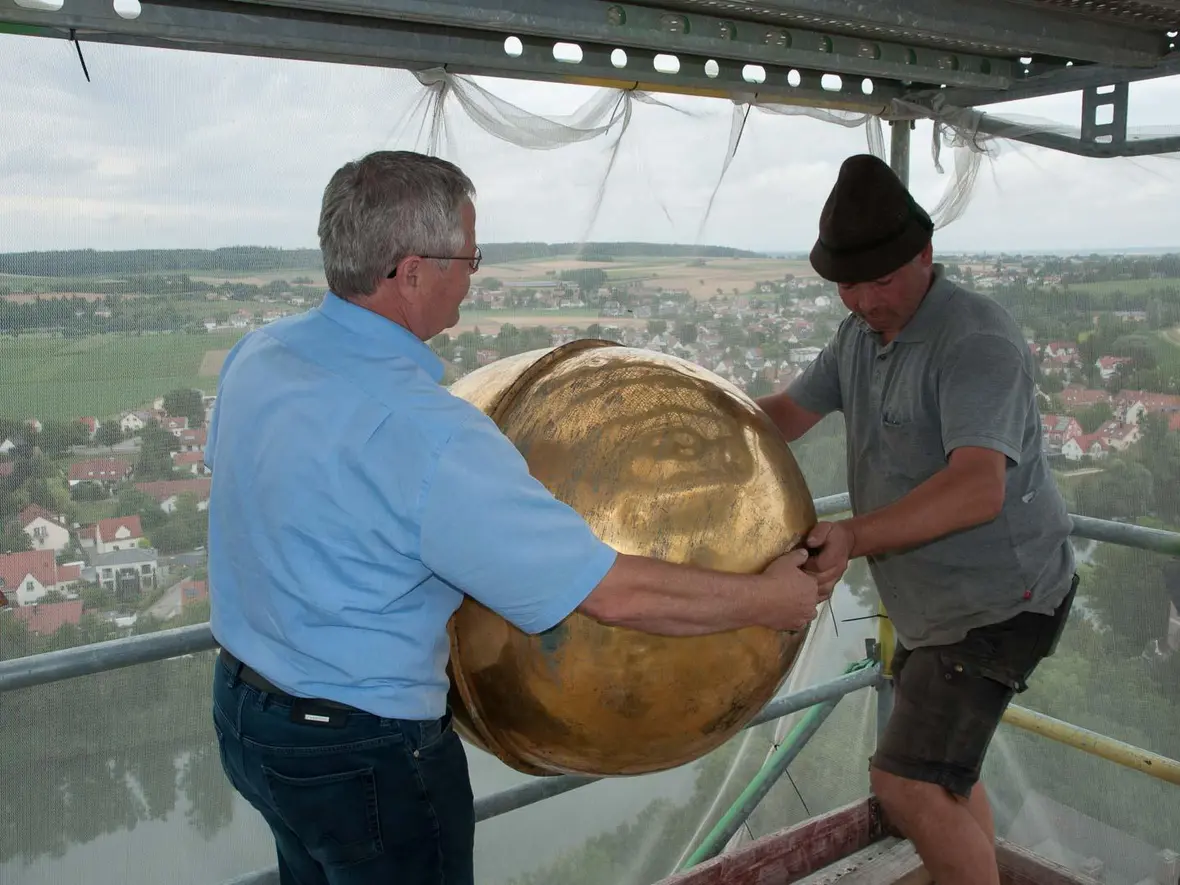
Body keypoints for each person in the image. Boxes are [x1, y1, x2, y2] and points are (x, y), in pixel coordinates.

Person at [204, 149, 821, 885]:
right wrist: (768, 600)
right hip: (361, 752)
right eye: (468, 257)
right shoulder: (429, 433)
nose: (473, 275)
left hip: (247, 715)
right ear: (411, 272)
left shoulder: (259, 356)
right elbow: (609, 592)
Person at [756, 154, 1078, 885]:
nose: (865, 301)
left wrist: (853, 534)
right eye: (848, 286)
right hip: (938, 606)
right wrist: (699, 425)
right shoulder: (857, 337)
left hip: (1003, 602)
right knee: (941, 777)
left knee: (905, 783)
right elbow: (788, 414)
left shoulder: (974, 340)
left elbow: (976, 489)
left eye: (881, 281)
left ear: (925, 255)